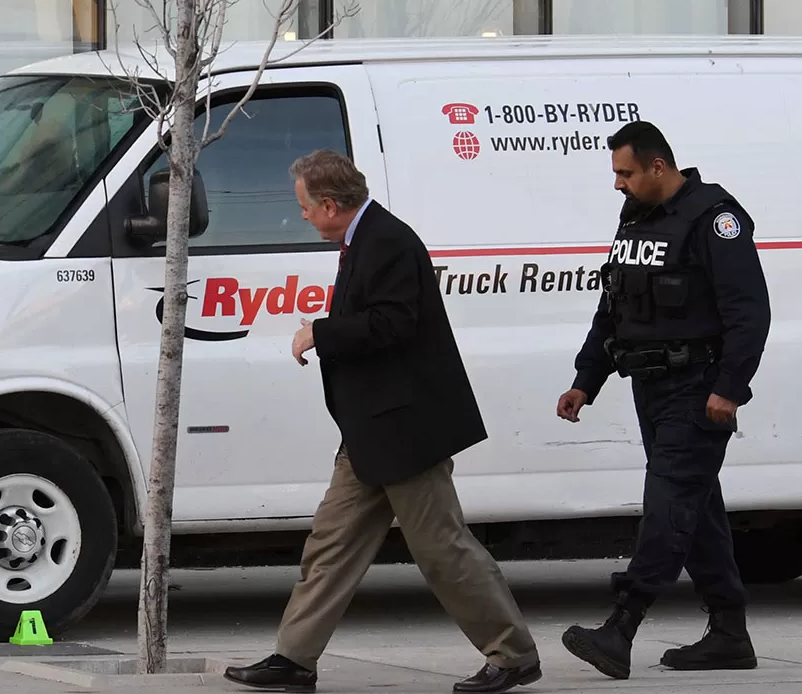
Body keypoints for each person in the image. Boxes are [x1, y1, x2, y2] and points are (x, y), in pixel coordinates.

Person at [224, 150, 540, 694]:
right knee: (331, 545)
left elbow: (393, 323)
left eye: (303, 206)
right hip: (372, 429)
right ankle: (294, 660)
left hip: (405, 430)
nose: (300, 215)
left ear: (329, 205)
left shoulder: (388, 240)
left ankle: (513, 655)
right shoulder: (365, 239)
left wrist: (319, 334)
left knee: (442, 547)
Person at [557, 121, 770, 679]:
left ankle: (621, 627)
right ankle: (729, 633)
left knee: (669, 504)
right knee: (696, 511)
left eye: (625, 173)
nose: (617, 184)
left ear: (658, 167)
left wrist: (729, 387)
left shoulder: (712, 219)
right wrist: (587, 379)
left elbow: (750, 312)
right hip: (648, 386)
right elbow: (616, 307)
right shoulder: (637, 218)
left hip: (696, 389)